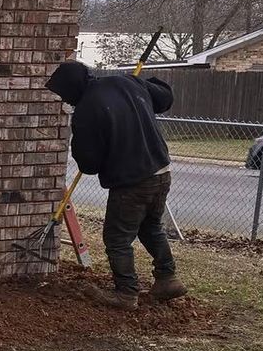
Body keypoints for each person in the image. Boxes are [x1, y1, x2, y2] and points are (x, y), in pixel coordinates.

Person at [44, 58, 186, 309]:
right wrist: (141, 87)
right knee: (150, 227)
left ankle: (126, 293)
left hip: (132, 182)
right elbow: (164, 98)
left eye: (64, 95)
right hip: (161, 171)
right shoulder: (127, 82)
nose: (65, 101)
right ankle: (167, 278)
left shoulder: (86, 110)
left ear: (72, 88)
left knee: (117, 239)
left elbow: (88, 165)